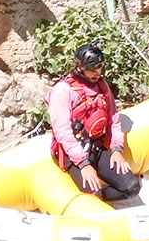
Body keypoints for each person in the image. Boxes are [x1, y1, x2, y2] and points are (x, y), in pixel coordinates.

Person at [48, 42, 141, 202]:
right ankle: (96, 198)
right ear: (79, 68)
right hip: (74, 154)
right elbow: (62, 132)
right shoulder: (62, 91)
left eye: (100, 68)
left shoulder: (101, 84)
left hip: (95, 147)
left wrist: (117, 149)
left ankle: (103, 198)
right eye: (93, 70)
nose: (97, 73)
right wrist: (83, 164)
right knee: (93, 198)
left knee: (132, 187)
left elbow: (113, 117)